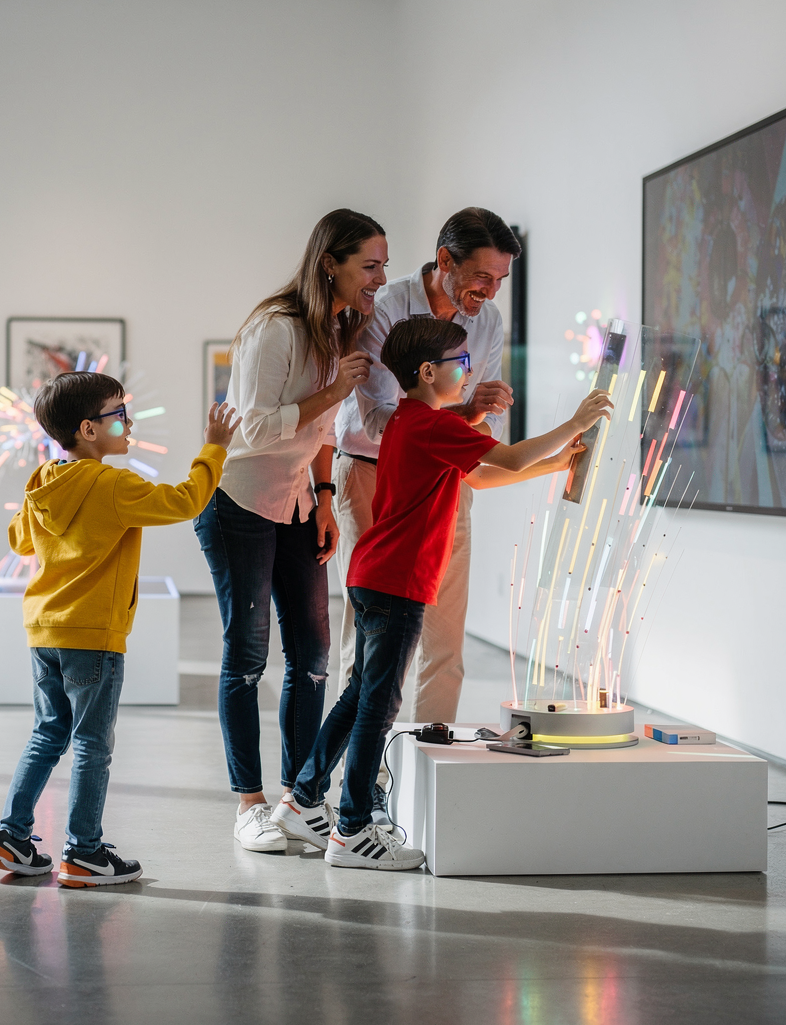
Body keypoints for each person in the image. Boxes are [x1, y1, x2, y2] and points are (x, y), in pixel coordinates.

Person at [273, 317, 612, 869]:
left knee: (360, 695)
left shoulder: (414, 421)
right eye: (462, 363)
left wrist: (556, 463)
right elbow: (508, 457)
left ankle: (303, 799)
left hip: (375, 575)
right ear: (429, 372)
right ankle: (352, 829)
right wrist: (575, 423)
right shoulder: (432, 424)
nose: (470, 373)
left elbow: (478, 476)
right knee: (376, 708)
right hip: (396, 583)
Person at [0, 372, 240, 887]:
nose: (128, 423)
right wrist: (214, 449)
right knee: (91, 745)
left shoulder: (43, 482)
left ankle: (10, 836)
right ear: (88, 429)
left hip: (45, 631)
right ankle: (84, 851)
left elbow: (20, 543)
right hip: (93, 633)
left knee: (48, 733)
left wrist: (41, 510)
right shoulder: (113, 484)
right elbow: (185, 501)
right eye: (118, 414)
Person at [194, 208, 387, 853]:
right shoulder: (273, 329)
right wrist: (333, 392)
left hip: (300, 503)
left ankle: (299, 800)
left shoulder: (341, 328)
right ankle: (249, 805)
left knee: (311, 658)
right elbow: (250, 430)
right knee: (247, 657)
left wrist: (326, 497)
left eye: (384, 265)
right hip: (238, 503)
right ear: (329, 262)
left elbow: (321, 434)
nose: (380, 277)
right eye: (371, 265)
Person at [331, 207, 519, 727]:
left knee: (444, 639)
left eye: (500, 279)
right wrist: (466, 414)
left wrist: (475, 424)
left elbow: (488, 429)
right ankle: (364, 776)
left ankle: (426, 765)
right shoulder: (385, 307)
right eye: (482, 276)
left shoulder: (490, 322)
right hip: (373, 476)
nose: (491, 291)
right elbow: (378, 422)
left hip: (448, 481)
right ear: (444, 260)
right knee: (371, 638)